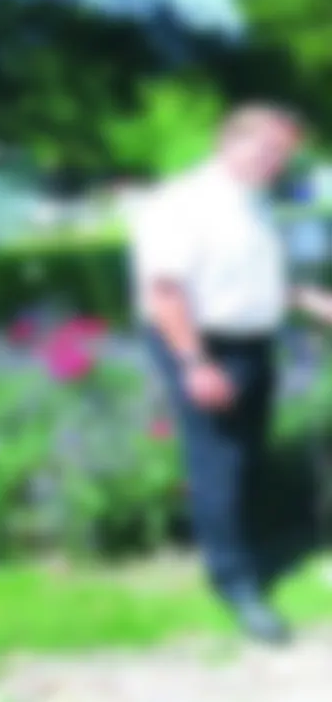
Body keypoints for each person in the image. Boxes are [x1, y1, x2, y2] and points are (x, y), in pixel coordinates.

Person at [132, 102, 332, 646]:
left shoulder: (252, 202)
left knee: (247, 455)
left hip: (252, 345)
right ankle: (235, 582)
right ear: (230, 141)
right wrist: (195, 363)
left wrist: (313, 302)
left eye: (284, 154)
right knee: (219, 463)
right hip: (203, 343)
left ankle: (246, 549)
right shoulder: (184, 202)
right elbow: (164, 290)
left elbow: (257, 279)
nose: (277, 162)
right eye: (268, 150)